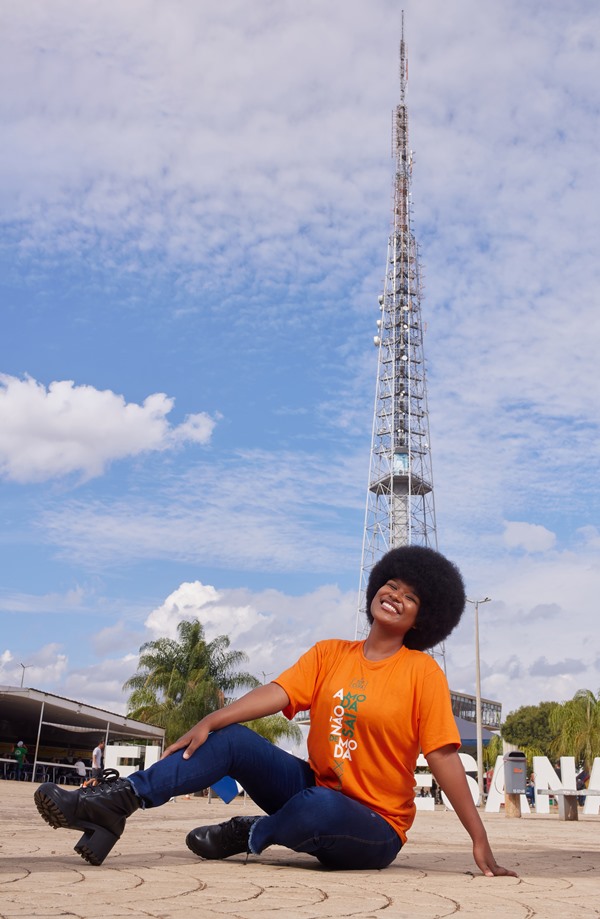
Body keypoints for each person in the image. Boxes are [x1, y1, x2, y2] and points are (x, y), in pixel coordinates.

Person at [33, 546, 516, 878]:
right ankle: (113, 804)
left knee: (317, 807)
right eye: (391, 584)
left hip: (375, 826)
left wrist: (478, 837)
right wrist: (210, 722)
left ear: (421, 619)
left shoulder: (422, 672)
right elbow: (278, 693)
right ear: (374, 589)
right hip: (315, 788)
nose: (396, 596)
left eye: (411, 597)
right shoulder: (331, 653)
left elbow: (445, 758)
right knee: (229, 738)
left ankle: (251, 833)